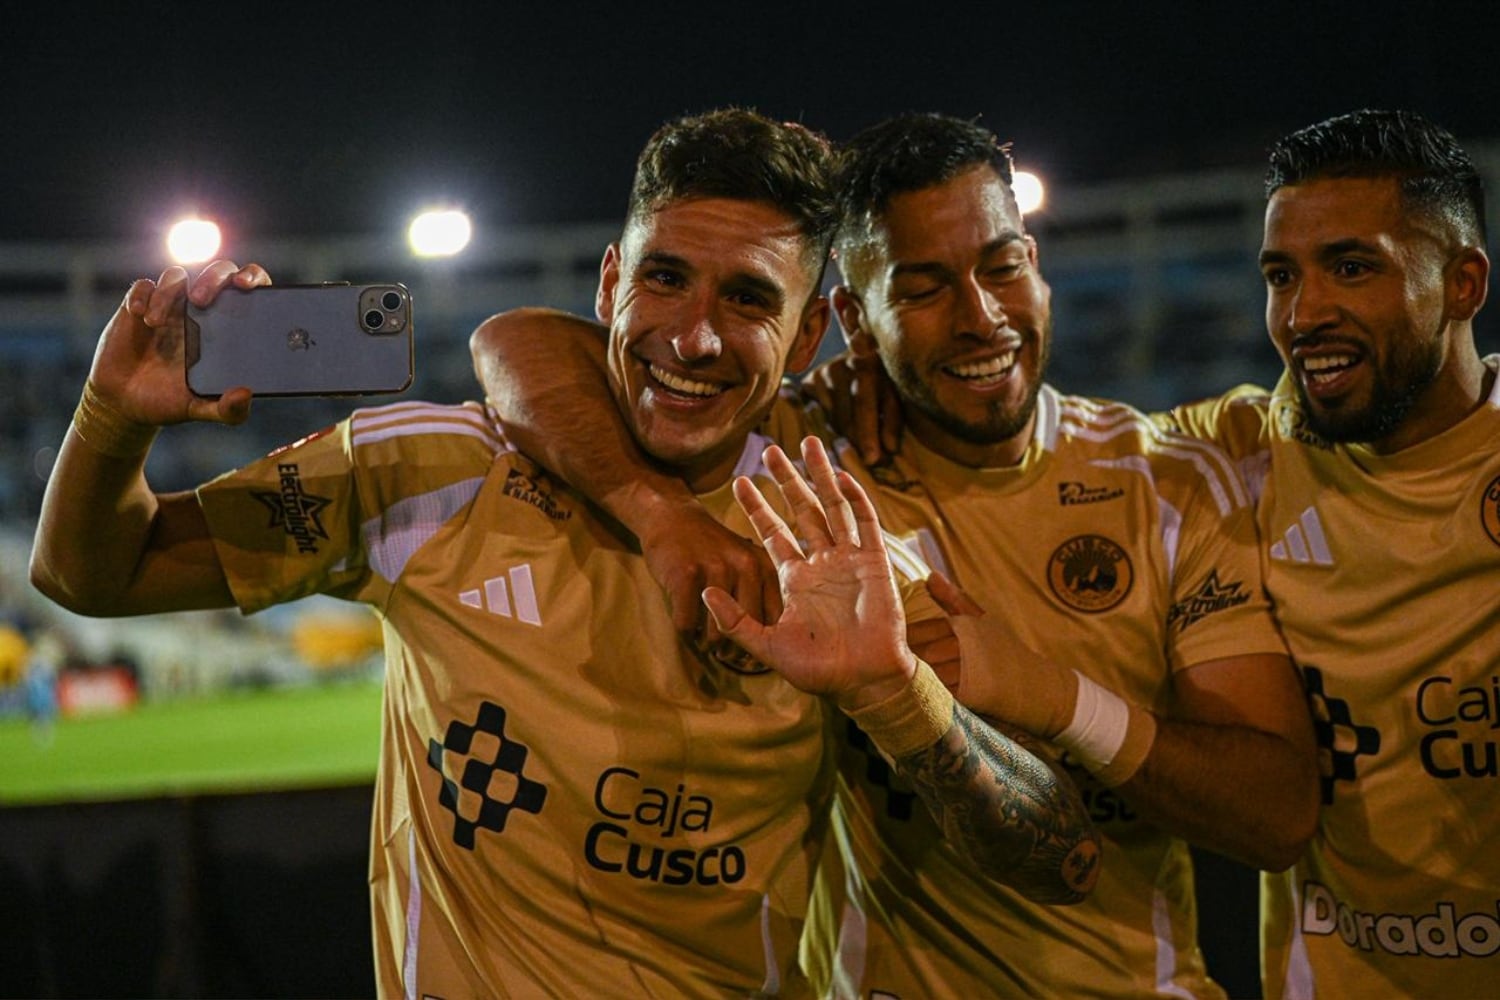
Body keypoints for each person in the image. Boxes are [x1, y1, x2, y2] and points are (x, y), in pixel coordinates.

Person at [29, 108, 1097, 998]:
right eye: (665, 280)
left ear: (809, 335)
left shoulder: (837, 546)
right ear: (606, 286)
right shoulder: (427, 471)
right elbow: (91, 573)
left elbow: (1060, 851)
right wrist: (111, 417)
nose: (694, 337)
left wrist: (898, 692)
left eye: (749, 299)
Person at [471, 112, 1318, 997]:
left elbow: (1277, 816)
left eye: (1003, 267)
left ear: (1038, 265)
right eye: (921, 289)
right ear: (848, 321)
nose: (981, 317)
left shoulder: (1165, 480)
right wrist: (658, 514)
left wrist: (1055, 698)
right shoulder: (799, 455)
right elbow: (517, 342)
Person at [1156, 108, 1500, 999]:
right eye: (1281, 276)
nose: (1304, 314)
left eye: (1352, 268)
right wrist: (865, 377)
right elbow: (1030, 451)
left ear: (1463, 283)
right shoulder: (1234, 453)